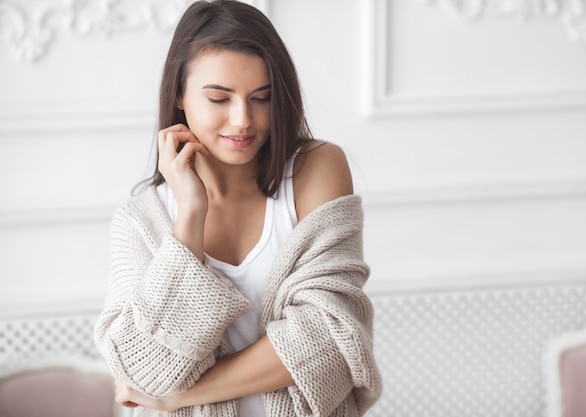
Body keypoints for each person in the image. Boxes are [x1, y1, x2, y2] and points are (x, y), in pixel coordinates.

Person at [93, 1, 382, 416]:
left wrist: (178, 397)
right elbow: (144, 371)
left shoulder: (316, 170)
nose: (243, 120)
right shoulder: (140, 220)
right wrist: (191, 214)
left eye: (261, 98)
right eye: (219, 98)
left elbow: (331, 339)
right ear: (179, 94)